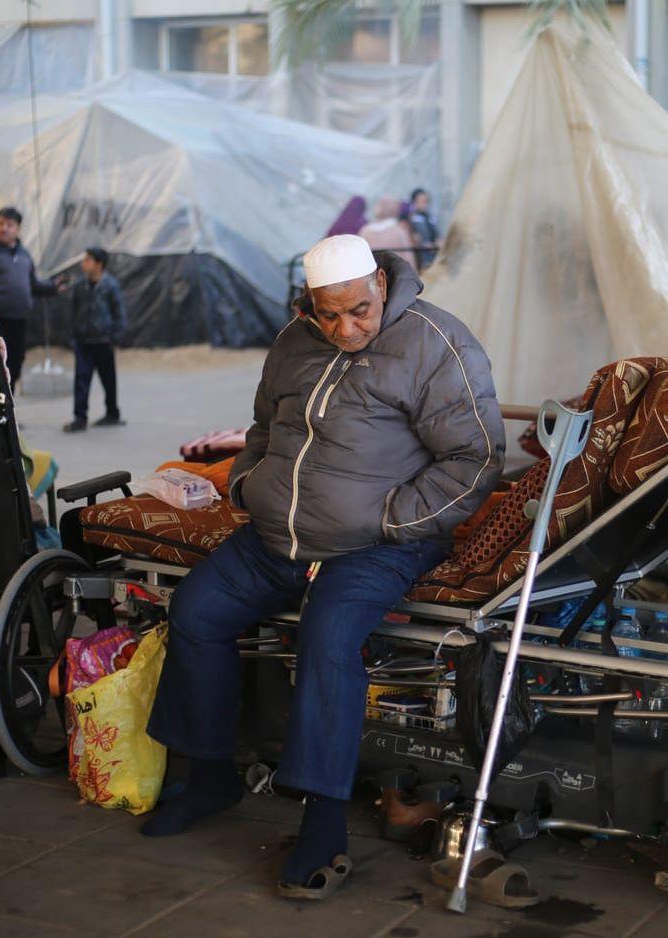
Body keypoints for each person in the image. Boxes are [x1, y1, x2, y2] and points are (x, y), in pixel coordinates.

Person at [142, 235, 504, 898]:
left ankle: (323, 820)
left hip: (378, 543)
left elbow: (476, 458)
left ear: (383, 286)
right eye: (329, 315)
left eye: (360, 310)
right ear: (310, 304)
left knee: (329, 635)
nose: (346, 328)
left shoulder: (434, 344)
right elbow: (262, 425)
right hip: (278, 534)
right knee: (195, 610)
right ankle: (208, 774)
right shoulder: (295, 340)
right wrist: (248, 484)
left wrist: (393, 520)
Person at [0, 207, 64, 389]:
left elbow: (33, 284)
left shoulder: (24, 254)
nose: (3, 228)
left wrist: (53, 287)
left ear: (18, 228)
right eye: (0, 223)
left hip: (18, 321)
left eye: (9, 225)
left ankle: (8, 410)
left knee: (15, 362)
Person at [64, 247, 126, 433]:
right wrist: (74, 336)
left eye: (88, 260)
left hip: (103, 342)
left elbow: (119, 313)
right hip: (84, 342)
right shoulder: (80, 286)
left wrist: (115, 337)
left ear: (99, 264)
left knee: (108, 379)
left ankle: (112, 413)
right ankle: (80, 417)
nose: (84, 264)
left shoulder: (110, 286)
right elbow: (74, 312)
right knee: (81, 380)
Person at [357, 196, 418, 271]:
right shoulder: (399, 231)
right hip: (394, 276)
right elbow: (408, 260)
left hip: (371, 276)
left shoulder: (365, 230)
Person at [407, 187, 439, 267]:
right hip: (421, 258)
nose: (424, 203)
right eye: (421, 200)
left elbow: (437, 234)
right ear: (414, 202)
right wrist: (423, 244)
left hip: (434, 256)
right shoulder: (412, 219)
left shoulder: (431, 218)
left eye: (425, 201)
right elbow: (413, 238)